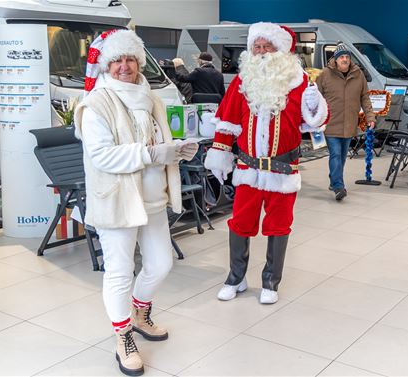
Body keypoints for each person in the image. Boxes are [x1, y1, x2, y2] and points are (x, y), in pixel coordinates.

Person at [73, 30, 198, 376]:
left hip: (153, 198)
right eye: (116, 60)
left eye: (129, 59)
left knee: (160, 264)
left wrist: (177, 150)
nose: (124, 66)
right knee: (119, 272)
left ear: (139, 61)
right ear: (105, 65)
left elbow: (159, 141)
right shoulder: (96, 103)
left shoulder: (151, 97)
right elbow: (101, 156)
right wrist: (151, 153)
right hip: (117, 202)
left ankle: (140, 313)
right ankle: (123, 335)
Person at [204, 22, 329, 304]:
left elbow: (316, 121)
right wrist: (220, 152)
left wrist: (313, 103)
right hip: (248, 169)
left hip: (283, 169)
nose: (260, 53)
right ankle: (235, 278)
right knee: (240, 223)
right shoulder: (242, 81)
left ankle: (270, 281)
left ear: (280, 50)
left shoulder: (298, 82)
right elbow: (227, 120)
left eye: (266, 47)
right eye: (256, 48)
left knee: (279, 225)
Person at [316, 43, 375, 201]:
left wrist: (370, 117)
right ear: (335, 60)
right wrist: (314, 119)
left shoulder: (358, 75)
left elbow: (365, 97)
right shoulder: (324, 75)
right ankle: (338, 187)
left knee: (342, 156)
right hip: (331, 124)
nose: (345, 59)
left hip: (349, 123)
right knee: (335, 154)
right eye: (341, 57)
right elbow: (315, 97)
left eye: (347, 57)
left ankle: (333, 178)